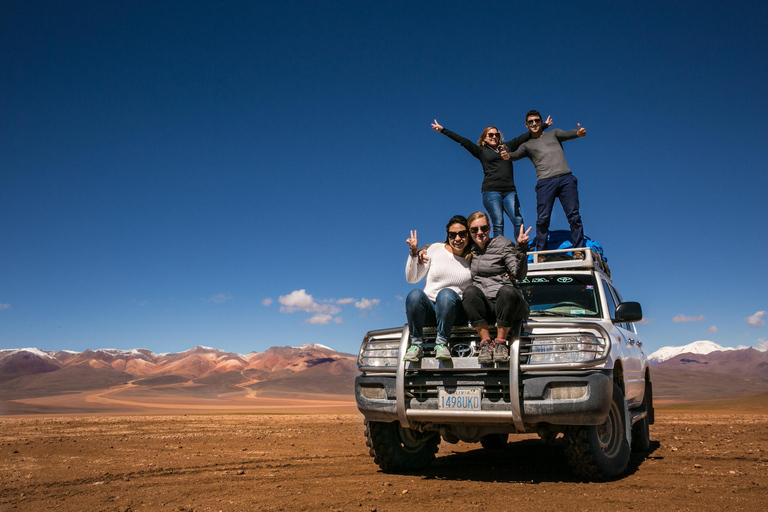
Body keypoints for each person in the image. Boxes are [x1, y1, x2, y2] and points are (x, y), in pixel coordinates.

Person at [431, 118, 551, 238]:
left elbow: (524, 137)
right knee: (498, 224)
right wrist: (443, 130)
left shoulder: (506, 147)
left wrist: (544, 125)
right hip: (491, 192)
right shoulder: (481, 151)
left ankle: (521, 251)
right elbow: (463, 141)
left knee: (518, 221)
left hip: (510, 191)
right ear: (484, 138)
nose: (494, 137)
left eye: (496, 134)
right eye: (491, 134)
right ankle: (499, 253)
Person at [501, 110, 586, 253]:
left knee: (574, 216)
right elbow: (514, 155)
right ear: (526, 125)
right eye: (531, 122)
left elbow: (568, 134)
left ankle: (578, 249)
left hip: (566, 179)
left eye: (536, 121)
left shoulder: (554, 134)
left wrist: (579, 133)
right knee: (543, 219)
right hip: (545, 182)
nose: (534, 124)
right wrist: (506, 156)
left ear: (541, 122)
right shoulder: (527, 145)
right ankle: (541, 252)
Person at [462, 211, 531, 364]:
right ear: (469, 232)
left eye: (484, 228)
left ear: (490, 228)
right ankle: (486, 343)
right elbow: (447, 244)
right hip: (488, 307)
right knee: (470, 292)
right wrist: (421, 250)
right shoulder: (469, 250)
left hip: (510, 306)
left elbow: (518, 275)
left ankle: (500, 343)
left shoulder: (502, 243)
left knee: (506, 291)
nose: (480, 233)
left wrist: (521, 248)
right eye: (474, 230)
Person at [403, 215, 473, 362]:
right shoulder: (435, 249)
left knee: (446, 294)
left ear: (468, 235)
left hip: (455, 311)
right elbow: (412, 278)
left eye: (462, 234)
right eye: (452, 235)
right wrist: (414, 254)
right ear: (447, 236)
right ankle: (416, 345)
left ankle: (441, 343)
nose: (457, 238)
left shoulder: (473, 257)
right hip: (431, 311)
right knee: (415, 294)